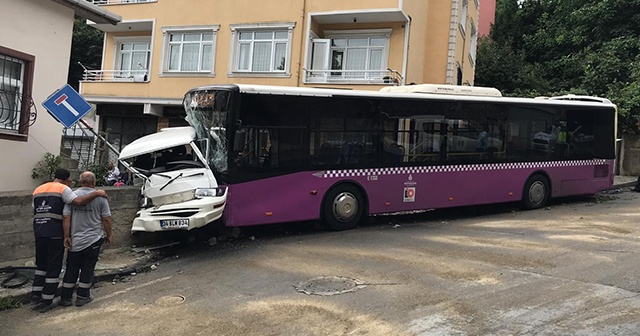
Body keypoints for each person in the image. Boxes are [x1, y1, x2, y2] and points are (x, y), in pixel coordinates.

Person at [31, 168, 107, 313]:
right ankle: (47, 299)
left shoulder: (38, 189)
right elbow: (77, 201)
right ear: (66, 180)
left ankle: (35, 295)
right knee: (54, 265)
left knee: (41, 264)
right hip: (55, 233)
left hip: (39, 231)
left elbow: (35, 210)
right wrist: (97, 193)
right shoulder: (63, 188)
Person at [60, 171, 112, 308]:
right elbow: (106, 218)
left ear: (80, 181)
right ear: (94, 182)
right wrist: (109, 235)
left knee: (71, 268)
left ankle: (65, 298)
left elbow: (66, 217)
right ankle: (83, 296)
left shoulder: (72, 196)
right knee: (88, 268)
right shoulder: (101, 197)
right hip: (93, 239)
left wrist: (67, 236)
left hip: (75, 240)